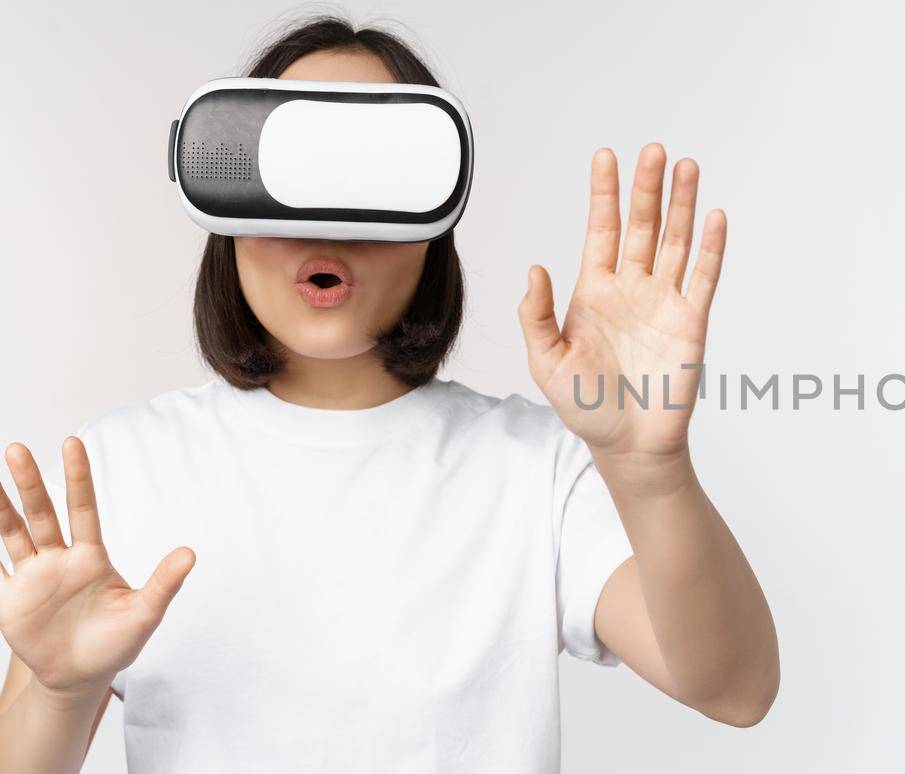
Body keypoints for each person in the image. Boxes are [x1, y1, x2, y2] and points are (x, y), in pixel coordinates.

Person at [0, 16, 779, 774]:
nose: (325, 222)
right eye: (291, 174)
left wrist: (650, 473)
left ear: (432, 225)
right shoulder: (124, 467)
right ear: (226, 207)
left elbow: (736, 690)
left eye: (373, 177)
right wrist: (62, 690)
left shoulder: (534, 468)